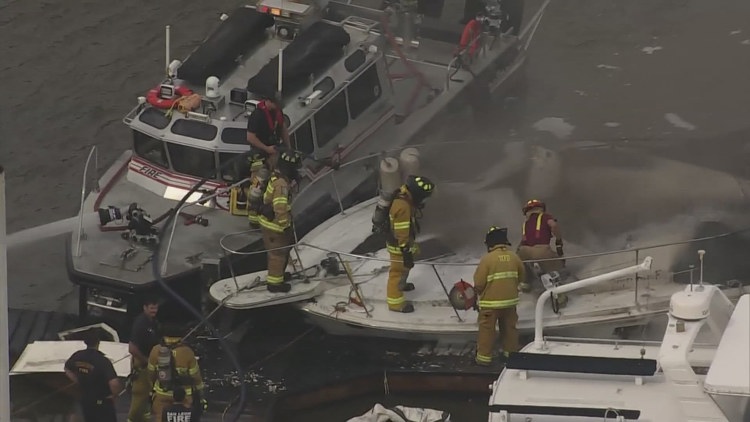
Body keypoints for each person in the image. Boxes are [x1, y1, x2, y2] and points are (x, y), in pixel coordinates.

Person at [473, 226, 525, 366]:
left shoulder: (487, 259)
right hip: (510, 303)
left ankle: (483, 359)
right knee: (510, 329)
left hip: (490, 304)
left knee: (487, 331)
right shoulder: (514, 257)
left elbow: (479, 283)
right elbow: (522, 276)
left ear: (490, 243)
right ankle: (511, 355)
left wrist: (478, 292)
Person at [386, 175, 435, 313]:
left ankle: (402, 285)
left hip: (403, 244)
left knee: (405, 268)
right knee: (397, 272)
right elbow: (401, 232)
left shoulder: (404, 197)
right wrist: (405, 250)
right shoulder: (403, 206)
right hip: (399, 246)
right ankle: (395, 303)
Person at [246, 92, 292, 228]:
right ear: (268, 101)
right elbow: (250, 137)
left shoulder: (277, 112)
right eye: (276, 104)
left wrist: (288, 147)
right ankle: (253, 220)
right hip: (259, 155)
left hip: (274, 154)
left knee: (274, 185)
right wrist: (266, 148)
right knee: (257, 188)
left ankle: (270, 213)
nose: (278, 107)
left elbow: (283, 128)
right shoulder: (257, 115)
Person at [259, 151, 302, 293]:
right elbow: (280, 207)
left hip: (271, 224)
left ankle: (280, 276)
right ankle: (275, 284)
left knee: (282, 253)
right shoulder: (282, 185)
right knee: (277, 255)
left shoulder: (276, 177)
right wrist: (285, 225)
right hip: (275, 227)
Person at [148, 323, 206, 422]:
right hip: (184, 396)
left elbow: (151, 374)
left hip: (162, 393)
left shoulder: (156, 350)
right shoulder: (187, 352)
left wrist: (151, 391)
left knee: (161, 418)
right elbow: (196, 377)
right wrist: (201, 395)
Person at [64, 330, 122, 422]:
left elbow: (67, 368)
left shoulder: (77, 355)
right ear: (98, 342)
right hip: (102, 402)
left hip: (86, 401)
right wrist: (115, 394)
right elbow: (114, 383)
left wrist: (77, 380)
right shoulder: (103, 361)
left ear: (85, 342)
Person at [517, 199, 564, 292]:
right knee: (558, 265)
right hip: (542, 251)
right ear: (541, 208)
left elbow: (523, 240)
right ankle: (558, 292)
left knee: (523, 262)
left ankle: (526, 283)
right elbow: (553, 225)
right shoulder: (545, 217)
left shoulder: (525, 223)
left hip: (524, 251)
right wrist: (558, 241)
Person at [128, 295, 161, 422]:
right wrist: (146, 361)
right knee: (140, 394)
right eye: (152, 308)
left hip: (150, 363)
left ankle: (143, 418)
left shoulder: (153, 322)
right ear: (145, 308)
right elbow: (132, 348)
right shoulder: (140, 323)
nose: (154, 311)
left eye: (156, 308)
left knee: (147, 394)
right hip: (142, 364)